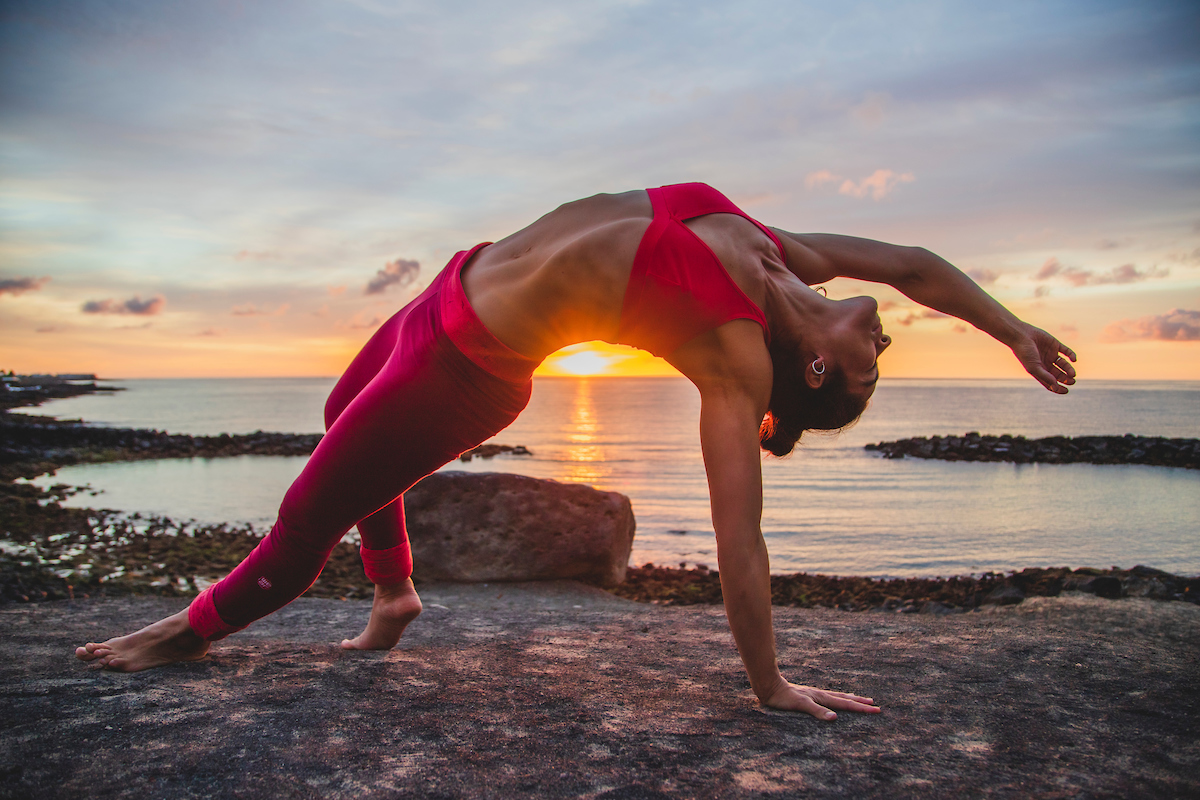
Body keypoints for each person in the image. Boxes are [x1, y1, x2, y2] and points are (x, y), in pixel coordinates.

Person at [75, 183, 1076, 720]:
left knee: (307, 516)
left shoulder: (734, 354)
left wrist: (768, 683)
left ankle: (188, 630)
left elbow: (742, 539)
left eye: (871, 368)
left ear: (814, 370)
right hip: (448, 287)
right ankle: (393, 594)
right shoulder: (785, 253)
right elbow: (915, 265)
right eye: (883, 358)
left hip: (464, 364)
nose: (884, 341)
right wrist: (1013, 329)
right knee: (339, 411)